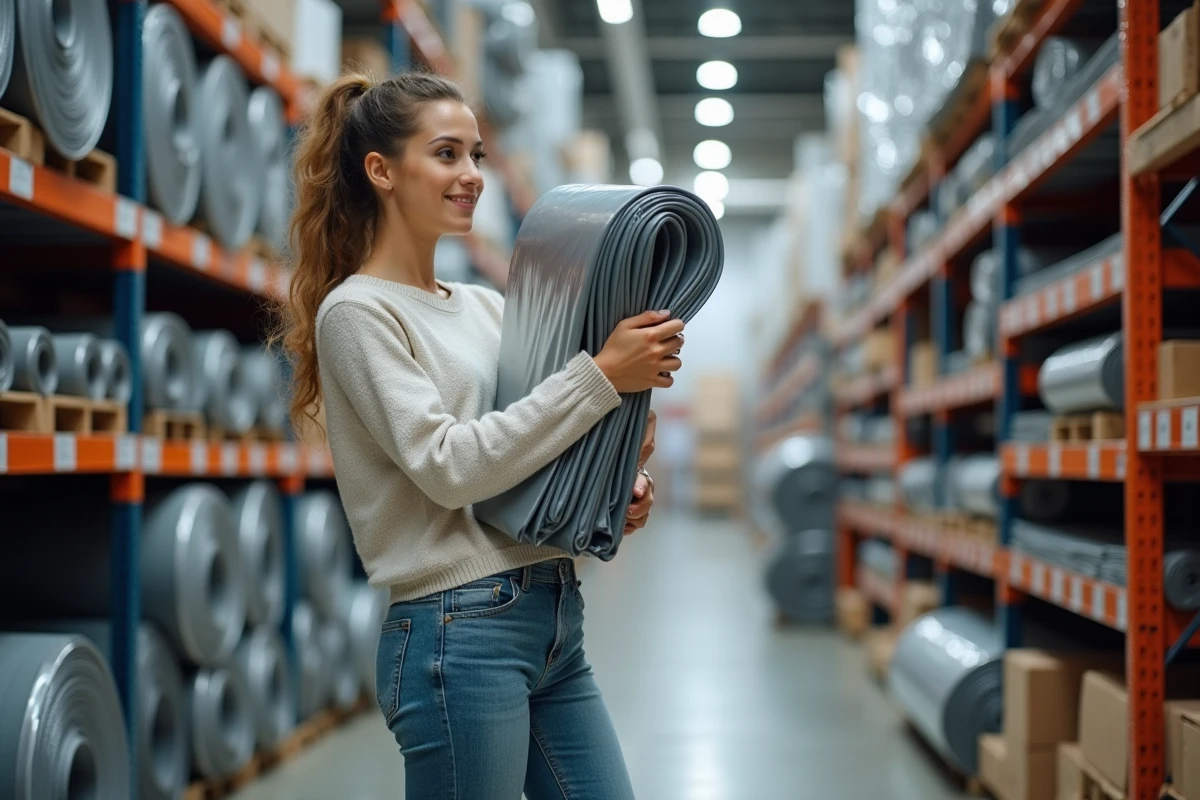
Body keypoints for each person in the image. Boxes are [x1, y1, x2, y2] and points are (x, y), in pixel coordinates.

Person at [275, 70, 686, 799]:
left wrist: (614, 483)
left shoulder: (485, 306)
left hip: (554, 614)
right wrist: (600, 375)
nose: (471, 175)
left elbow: (534, 439)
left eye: (476, 156)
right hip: (457, 632)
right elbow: (450, 466)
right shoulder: (359, 314)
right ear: (381, 171)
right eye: (446, 154)